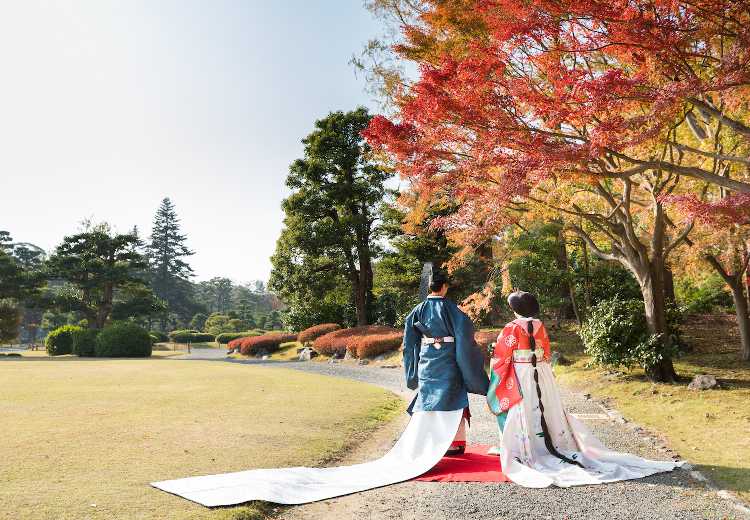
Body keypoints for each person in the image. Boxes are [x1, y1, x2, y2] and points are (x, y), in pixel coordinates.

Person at [487, 290, 682, 487]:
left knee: (523, 409)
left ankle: (522, 449)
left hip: (522, 373)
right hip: (541, 373)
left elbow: (503, 354)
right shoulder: (539, 326)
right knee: (546, 408)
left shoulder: (511, 328)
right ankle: (549, 445)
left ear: (515, 309)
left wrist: (495, 355)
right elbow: (545, 352)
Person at [403, 268, 490, 455]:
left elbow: (408, 343)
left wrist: (412, 371)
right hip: (449, 360)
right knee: (452, 397)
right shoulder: (452, 310)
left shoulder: (418, 310)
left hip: (427, 360)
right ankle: (454, 443)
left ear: (430, 287)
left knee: (427, 398)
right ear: (444, 287)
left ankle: (427, 441)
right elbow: (465, 339)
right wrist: (470, 364)